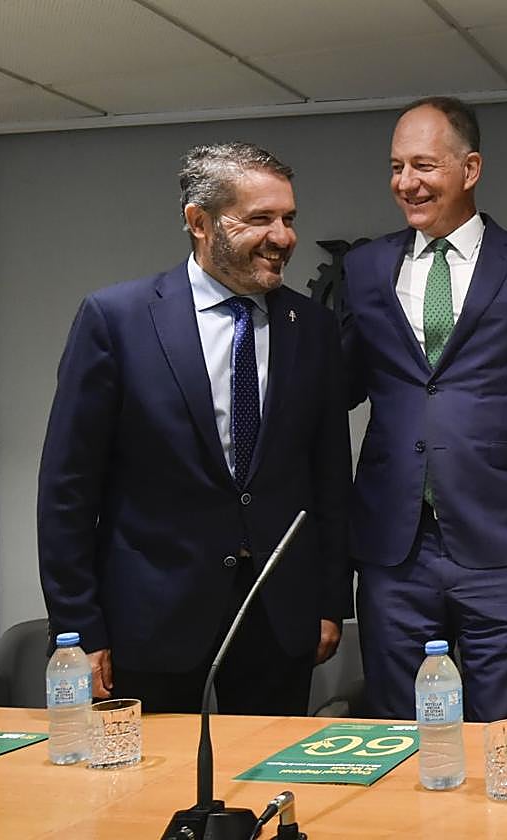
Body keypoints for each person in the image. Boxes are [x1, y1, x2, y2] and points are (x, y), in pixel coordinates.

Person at [37, 142, 353, 715]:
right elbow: (68, 491)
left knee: (263, 791)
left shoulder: (310, 328)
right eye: (261, 219)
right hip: (152, 623)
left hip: (278, 622)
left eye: (289, 219)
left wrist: (332, 599)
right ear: (199, 223)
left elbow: (329, 476)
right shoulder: (117, 320)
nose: (284, 237)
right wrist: (79, 626)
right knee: (146, 799)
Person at [341, 96, 507, 721]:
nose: (406, 183)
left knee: (502, 736)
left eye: (423, 165)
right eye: (396, 167)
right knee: (399, 735)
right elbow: (337, 390)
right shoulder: (364, 267)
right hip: (392, 546)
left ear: (470, 169)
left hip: (503, 543)